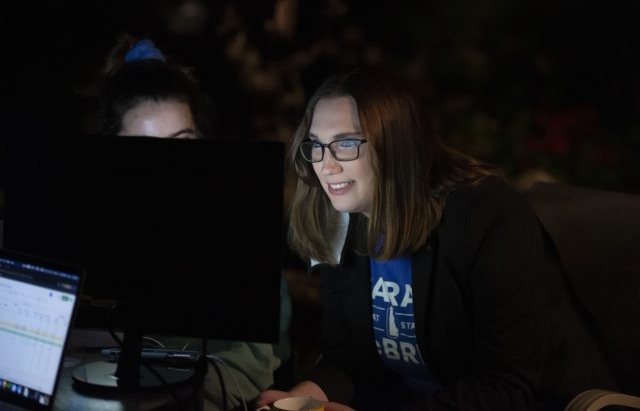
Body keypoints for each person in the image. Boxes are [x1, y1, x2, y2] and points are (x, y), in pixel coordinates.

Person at [256, 67, 617, 410]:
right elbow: (348, 359)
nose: (325, 164)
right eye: (316, 145)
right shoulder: (344, 219)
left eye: (346, 144)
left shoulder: (484, 215)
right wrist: (300, 400)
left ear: (395, 144)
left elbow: (507, 387)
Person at [91, 34, 292, 411]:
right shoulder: (84, 227)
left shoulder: (242, 230)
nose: (167, 165)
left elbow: (251, 369)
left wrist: (169, 398)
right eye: (145, 149)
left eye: (181, 141)